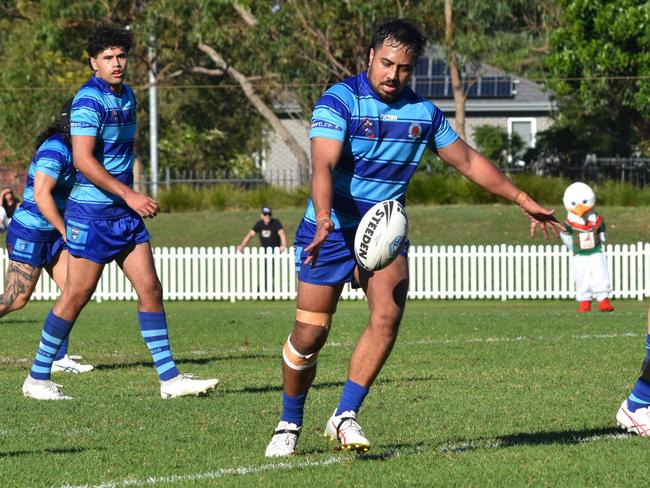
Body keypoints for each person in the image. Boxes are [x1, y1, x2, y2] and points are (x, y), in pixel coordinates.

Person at [264, 18, 562, 457]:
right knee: (309, 335)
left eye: (404, 68)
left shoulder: (424, 114)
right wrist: (324, 216)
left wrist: (521, 197)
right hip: (329, 230)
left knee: (387, 314)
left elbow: (468, 162)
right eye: (386, 63)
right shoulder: (339, 101)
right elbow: (322, 165)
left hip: (384, 231)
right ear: (369, 57)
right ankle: (289, 421)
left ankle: (345, 414)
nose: (393, 75)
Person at [22, 25, 218, 400]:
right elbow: (82, 160)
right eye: (108, 57)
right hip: (92, 217)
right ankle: (36, 378)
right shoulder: (87, 100)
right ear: (94, 63)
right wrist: (129, 194)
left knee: (150, 288)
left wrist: (127, 197)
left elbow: (121, 155)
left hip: (123, 218)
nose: (116, 63)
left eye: (121, 56)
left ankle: (169, 379)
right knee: (76, 295)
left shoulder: (127, 95)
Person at [2, 101, 94, 374]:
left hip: (54, 233)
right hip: (30, 232)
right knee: (15, 299)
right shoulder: (55, 149)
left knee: (73, 292)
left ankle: (56, 357)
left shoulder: (80, 151)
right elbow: (42, 195)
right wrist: (66, 230)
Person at [559, 182, 614, 313]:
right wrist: (571, 247)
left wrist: (602, 239)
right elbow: (565, 235)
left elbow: (602, 232)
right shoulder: (569, 223)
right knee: (581, 276)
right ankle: (584, 301)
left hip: (596, 251)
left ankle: (603, 300)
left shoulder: (597, 219)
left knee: (600, 274)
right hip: (580, 254)